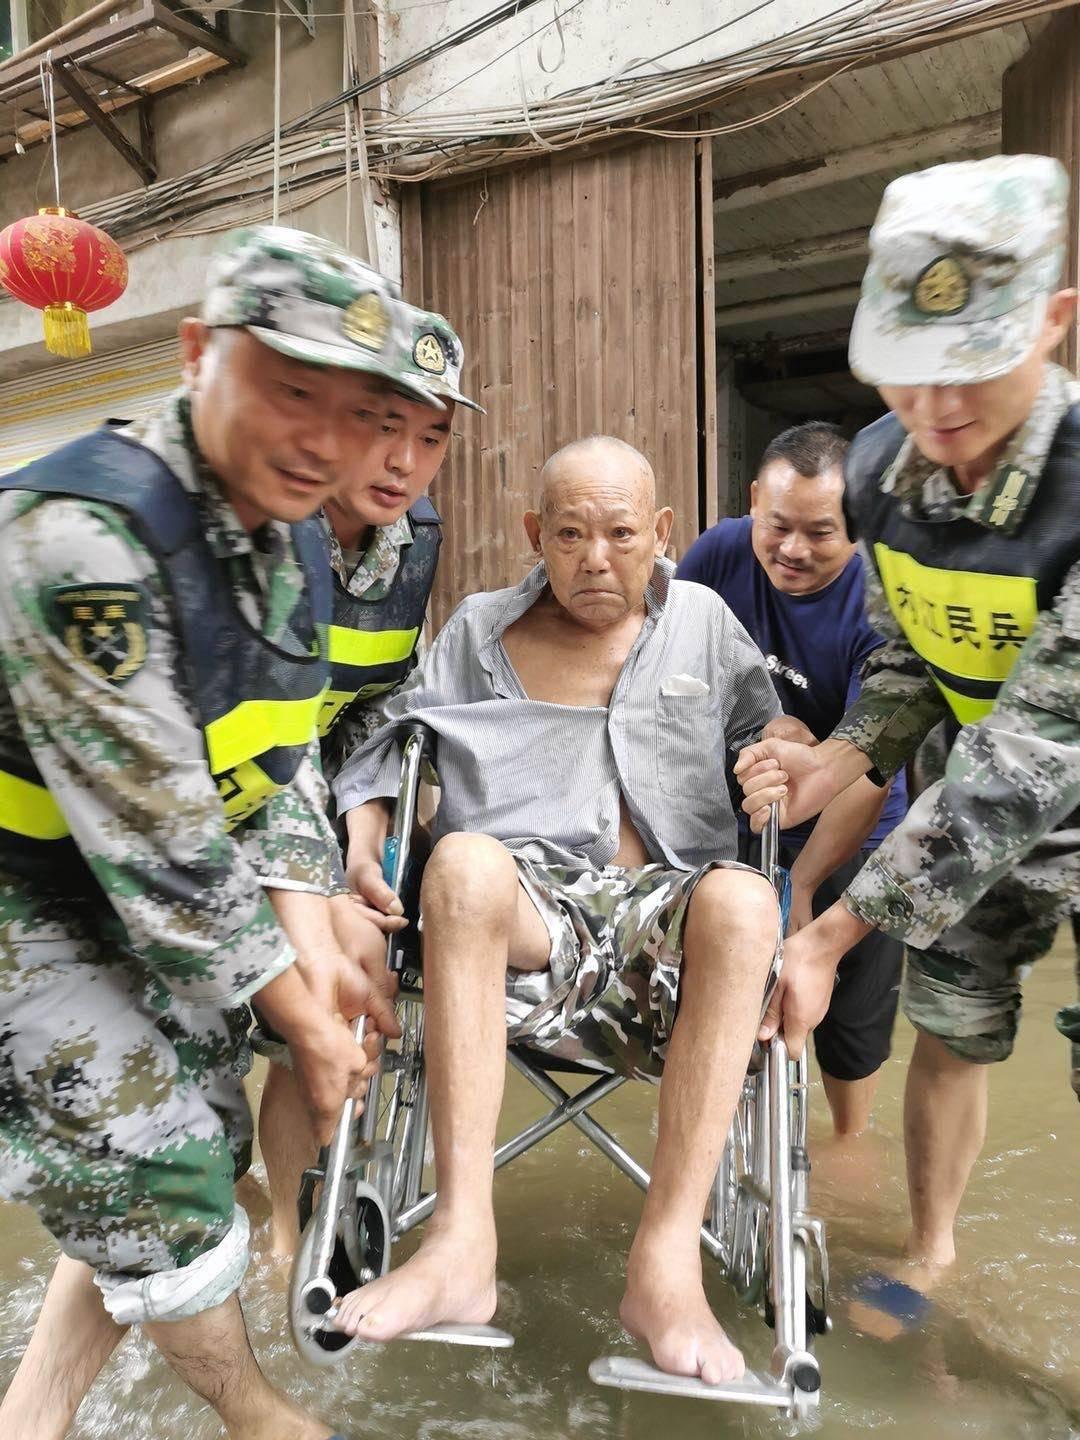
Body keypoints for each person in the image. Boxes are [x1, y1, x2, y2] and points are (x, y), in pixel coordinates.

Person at [0, 225, 422, 1440]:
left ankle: (35, 1410)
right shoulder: (82, 540)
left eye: (359, 413)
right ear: (197, 355)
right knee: (164, 1178)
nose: (325, 441)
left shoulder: (290, 537)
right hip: (30, 893)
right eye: (291, 390)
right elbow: (172, 853)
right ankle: (254, 1411)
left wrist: (317, 915)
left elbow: (267, 767)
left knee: (194, 1137)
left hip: (130, 878)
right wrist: (301, 1008)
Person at [330, 434, 783, 1385]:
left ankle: (664, 1268)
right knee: (458, 864)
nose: (595, 558)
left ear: (661, 532)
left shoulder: (702, 620)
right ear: (536, 534)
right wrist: (361, 852)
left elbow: (772, 731)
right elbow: (387, 741)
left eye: (621, 533)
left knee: (745, 900)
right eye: (570, 534)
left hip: (664, 922)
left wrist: (789, 752)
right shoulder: (479, 630)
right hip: (523, 919)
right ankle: (461, 1245)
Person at [735, 154, 1080, 1335]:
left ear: (1054, 324)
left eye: (972, 371)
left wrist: (831, 930)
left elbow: (1030, 760)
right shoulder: (881, 470)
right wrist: (846, 755)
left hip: (1026, 784)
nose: (937, 413)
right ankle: (932, 1253)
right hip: (961, 804)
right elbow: (908, 651)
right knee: (957, 1022)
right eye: (907, 375)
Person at [257, 306, 484, 1256]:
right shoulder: (268, 529)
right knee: (289, 999)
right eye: (385, 427)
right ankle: (264, 1221)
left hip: (310, 802)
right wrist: (325, 875)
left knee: (329, 1005)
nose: (404, 462)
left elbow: (376, 707)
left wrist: (366, 829)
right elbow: (274, 734)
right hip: (232, 798)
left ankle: (295, 1220)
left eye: (431, 437)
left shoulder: (414, 538)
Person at [677, 422, 908, 1138]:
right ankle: (728, 1135)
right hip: (745, 810)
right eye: (777, 526)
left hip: (858, 828)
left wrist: (802, 885)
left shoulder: (882, 602)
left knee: (849, 1035)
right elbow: (666, 670)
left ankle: (848, 1144)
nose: (793, 550)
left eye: (820, 532)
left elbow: (868, 768)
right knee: (731, 1006)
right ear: (753, 503)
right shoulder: (718, 553)